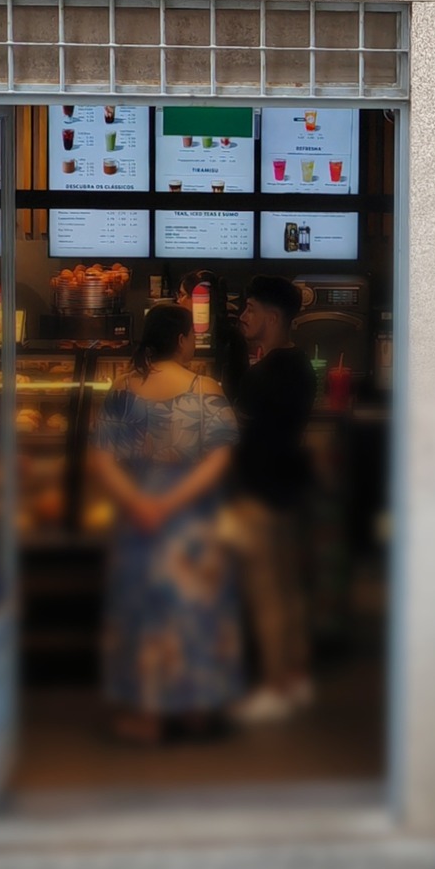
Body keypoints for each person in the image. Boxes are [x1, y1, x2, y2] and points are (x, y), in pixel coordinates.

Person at [86, 302, 242, 744]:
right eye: (192, 335)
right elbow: (219, 460)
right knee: (193, 612)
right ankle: (194, 709)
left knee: (144, 614)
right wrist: (172, 502)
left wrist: (141, 503)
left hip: (139, 519)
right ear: (181, 340)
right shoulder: (205, 386)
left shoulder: (122, 387)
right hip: (190, 520)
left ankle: (148, 716)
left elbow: (100, 459)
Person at [221, 275, 316, 725]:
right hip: (287, 490)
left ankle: (275, 689)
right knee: (288, 589)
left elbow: (239, 432)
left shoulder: (263, 375)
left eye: (251, 308)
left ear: (273, 318)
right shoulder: (300, 366)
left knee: (266, 595)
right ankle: (296, 680)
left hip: (259, 491)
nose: (244, 315)